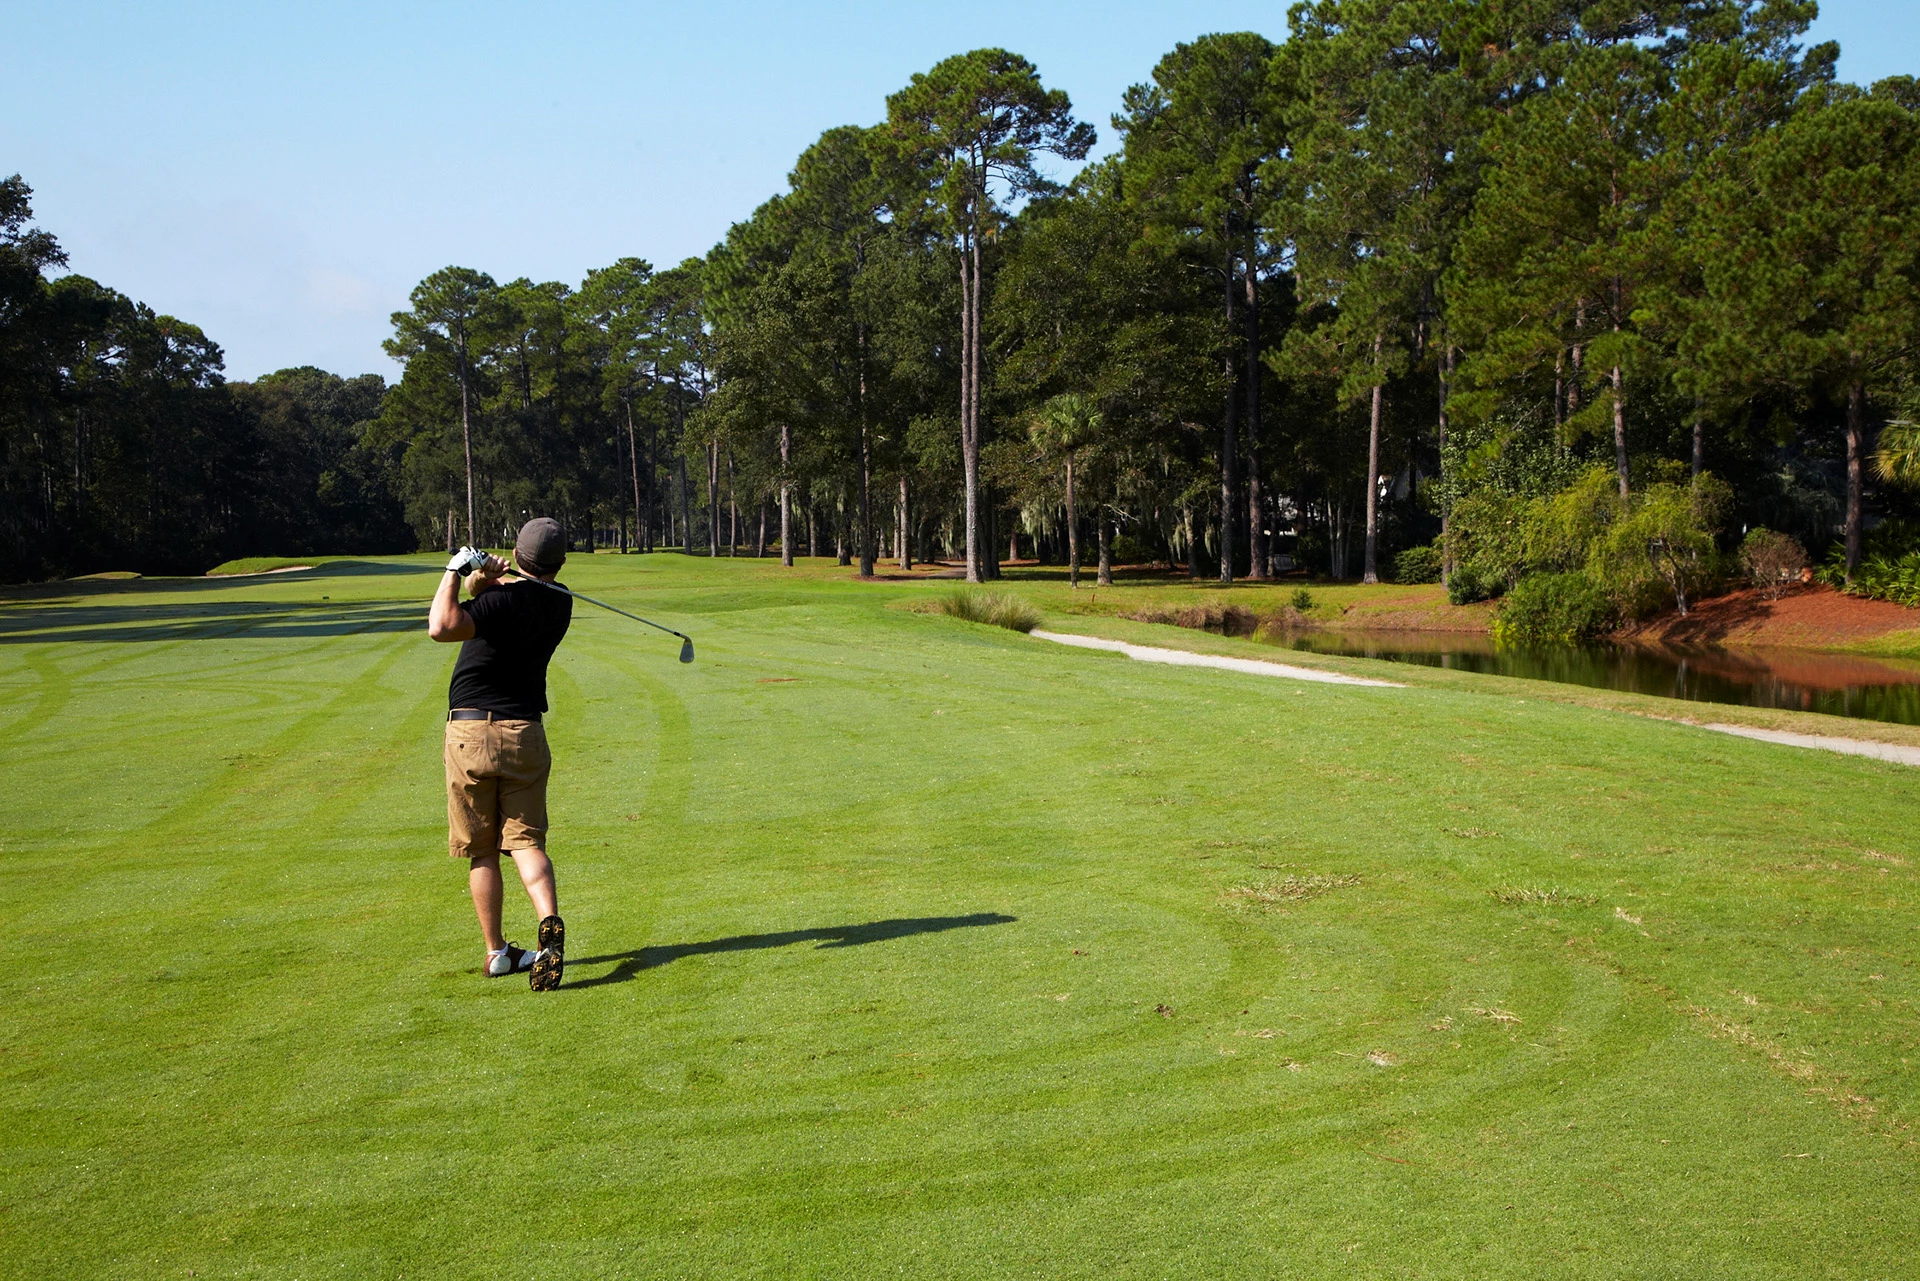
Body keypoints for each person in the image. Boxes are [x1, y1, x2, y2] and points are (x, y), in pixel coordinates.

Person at [427, 517, 573, 991]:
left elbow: (442, 626)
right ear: (560, 563)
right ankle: (547, 927)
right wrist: (484, 578)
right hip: (526, 732)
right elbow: (501, 594)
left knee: (482, 849)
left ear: (517, 550)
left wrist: (455, 570)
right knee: (527, 843)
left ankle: (495, 952)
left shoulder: (498, 600)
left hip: (471, 732)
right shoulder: (561, 601)